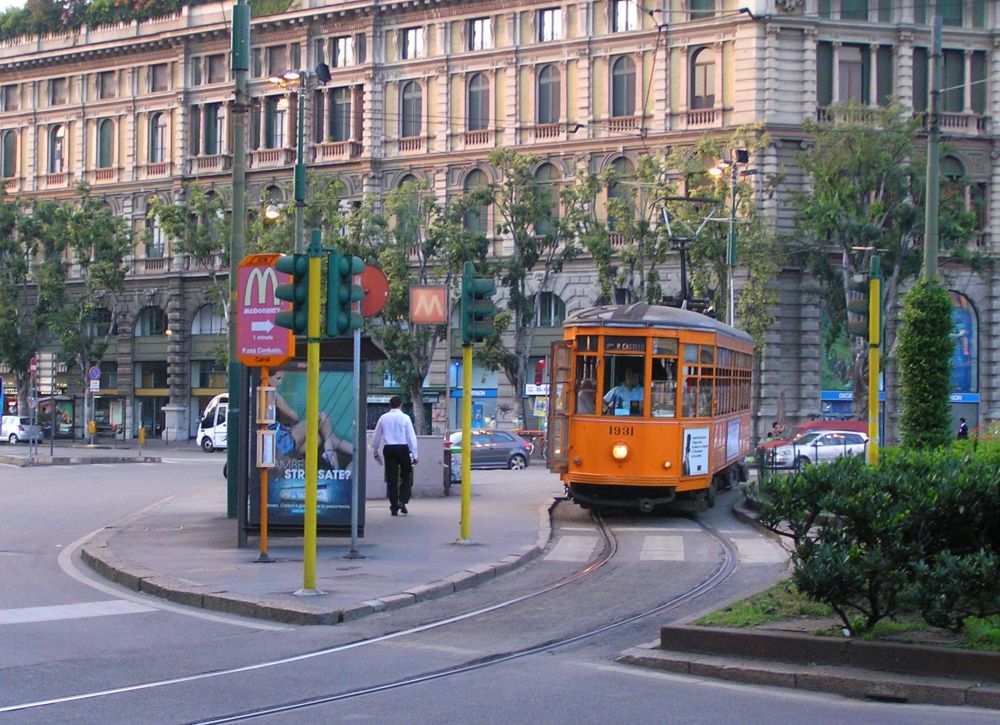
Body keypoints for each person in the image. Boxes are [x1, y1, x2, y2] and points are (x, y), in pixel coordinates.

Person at [371, 396, 419, 516]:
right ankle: (403, 499)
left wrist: (375, 451)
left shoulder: (383, 418)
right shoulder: (405, 418)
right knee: (406, 475)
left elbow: (376, 437)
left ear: (390, 405)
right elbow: (411, 437)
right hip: (402, 448)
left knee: (391, 478)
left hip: (389, 449)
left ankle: (393, 506)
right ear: (401, 405)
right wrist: (415, 454)